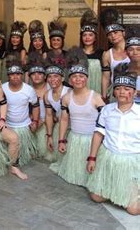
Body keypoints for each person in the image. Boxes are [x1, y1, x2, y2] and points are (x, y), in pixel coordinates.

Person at [86, 64, 139, 215]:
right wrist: (92, 158)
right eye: (118, 88)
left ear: (134, 93)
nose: (122, 92)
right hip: (110, 157)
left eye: (127, 89)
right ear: (114, 91)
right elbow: (98, 134)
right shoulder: (107, 110)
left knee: (134, 210)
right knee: (96, 197)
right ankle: (116, 187)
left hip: (132, 160)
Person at [51, 48, 105, 187]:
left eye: (81, 76)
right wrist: (62, 140)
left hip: (92, 141)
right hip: (75, 138)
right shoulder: (66, 98)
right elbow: (64, 120)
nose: (78, 79)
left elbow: (106, 123)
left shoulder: (96, 98)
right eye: (74, 76)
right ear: (69, 79)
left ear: (87, 78)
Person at [2, 55, 39, 166]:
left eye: (18, 74)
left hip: (24, 127)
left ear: (22, 75)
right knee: (7, 157)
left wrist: (35, 121)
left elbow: (36, 106)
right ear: (8, 76)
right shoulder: (2, 88)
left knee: (24, 156)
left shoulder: (29, 90)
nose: (15, 77)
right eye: (12, 74)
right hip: (8, 127)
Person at [100, 8, 129, 102]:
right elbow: (105, 76)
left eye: (116, 32)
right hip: (116, 94)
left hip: (135, 91)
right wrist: (104, 95)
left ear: (123, 33)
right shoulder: (107, 54)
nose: (113, 36)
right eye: (109, 34)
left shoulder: (134, 49)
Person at [43, 65, 69, 162]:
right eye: (49, 76)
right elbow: (49, 115)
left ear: (62, 78)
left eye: (55, 76)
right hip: (59, 126)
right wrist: (50, 136)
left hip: (72, 127)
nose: (52, 79)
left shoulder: (69, 92)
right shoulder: (47, 95)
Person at [80, 10, 103, 94]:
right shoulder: (76, 53)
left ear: (95, 37)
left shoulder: (101, 53)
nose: (87, 38)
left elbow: (105, 76)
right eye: (84, 35)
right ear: (81, 37)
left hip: (97, 92)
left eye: (90, 35)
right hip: (80, 92)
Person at [125, 33, 140, 103]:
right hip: (128, 105)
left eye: (138, 49)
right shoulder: (121, 68)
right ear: (126, 52)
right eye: (131, 49)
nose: (135, 52)